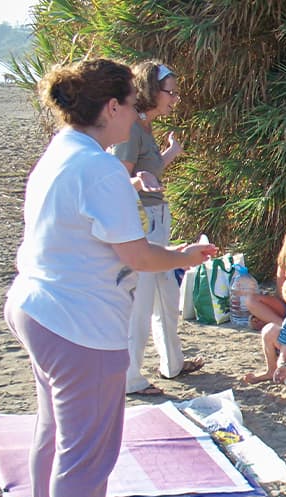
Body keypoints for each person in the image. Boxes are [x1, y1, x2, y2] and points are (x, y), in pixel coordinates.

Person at [4, 58, 216, 497]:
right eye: (132, 102)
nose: (138, 111)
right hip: (77, 322)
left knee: (55, 434)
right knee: (87, 454)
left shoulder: (63, 151)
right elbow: (138, 256)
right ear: (112, 106)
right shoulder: (98, 168)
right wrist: (185, 255)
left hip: (37, 307)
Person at [114, 60, 202, 395]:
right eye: (171, 92)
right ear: (152, 90)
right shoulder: (131, 130)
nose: (175, 99)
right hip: (143, 223)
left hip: (158, 220)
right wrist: (138, 181)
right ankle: (130, 377)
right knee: (142, 299)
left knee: (166, 295)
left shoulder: (145, 127)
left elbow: (148, 174)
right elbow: (117, 182)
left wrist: (170, 154)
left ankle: (172, 363)